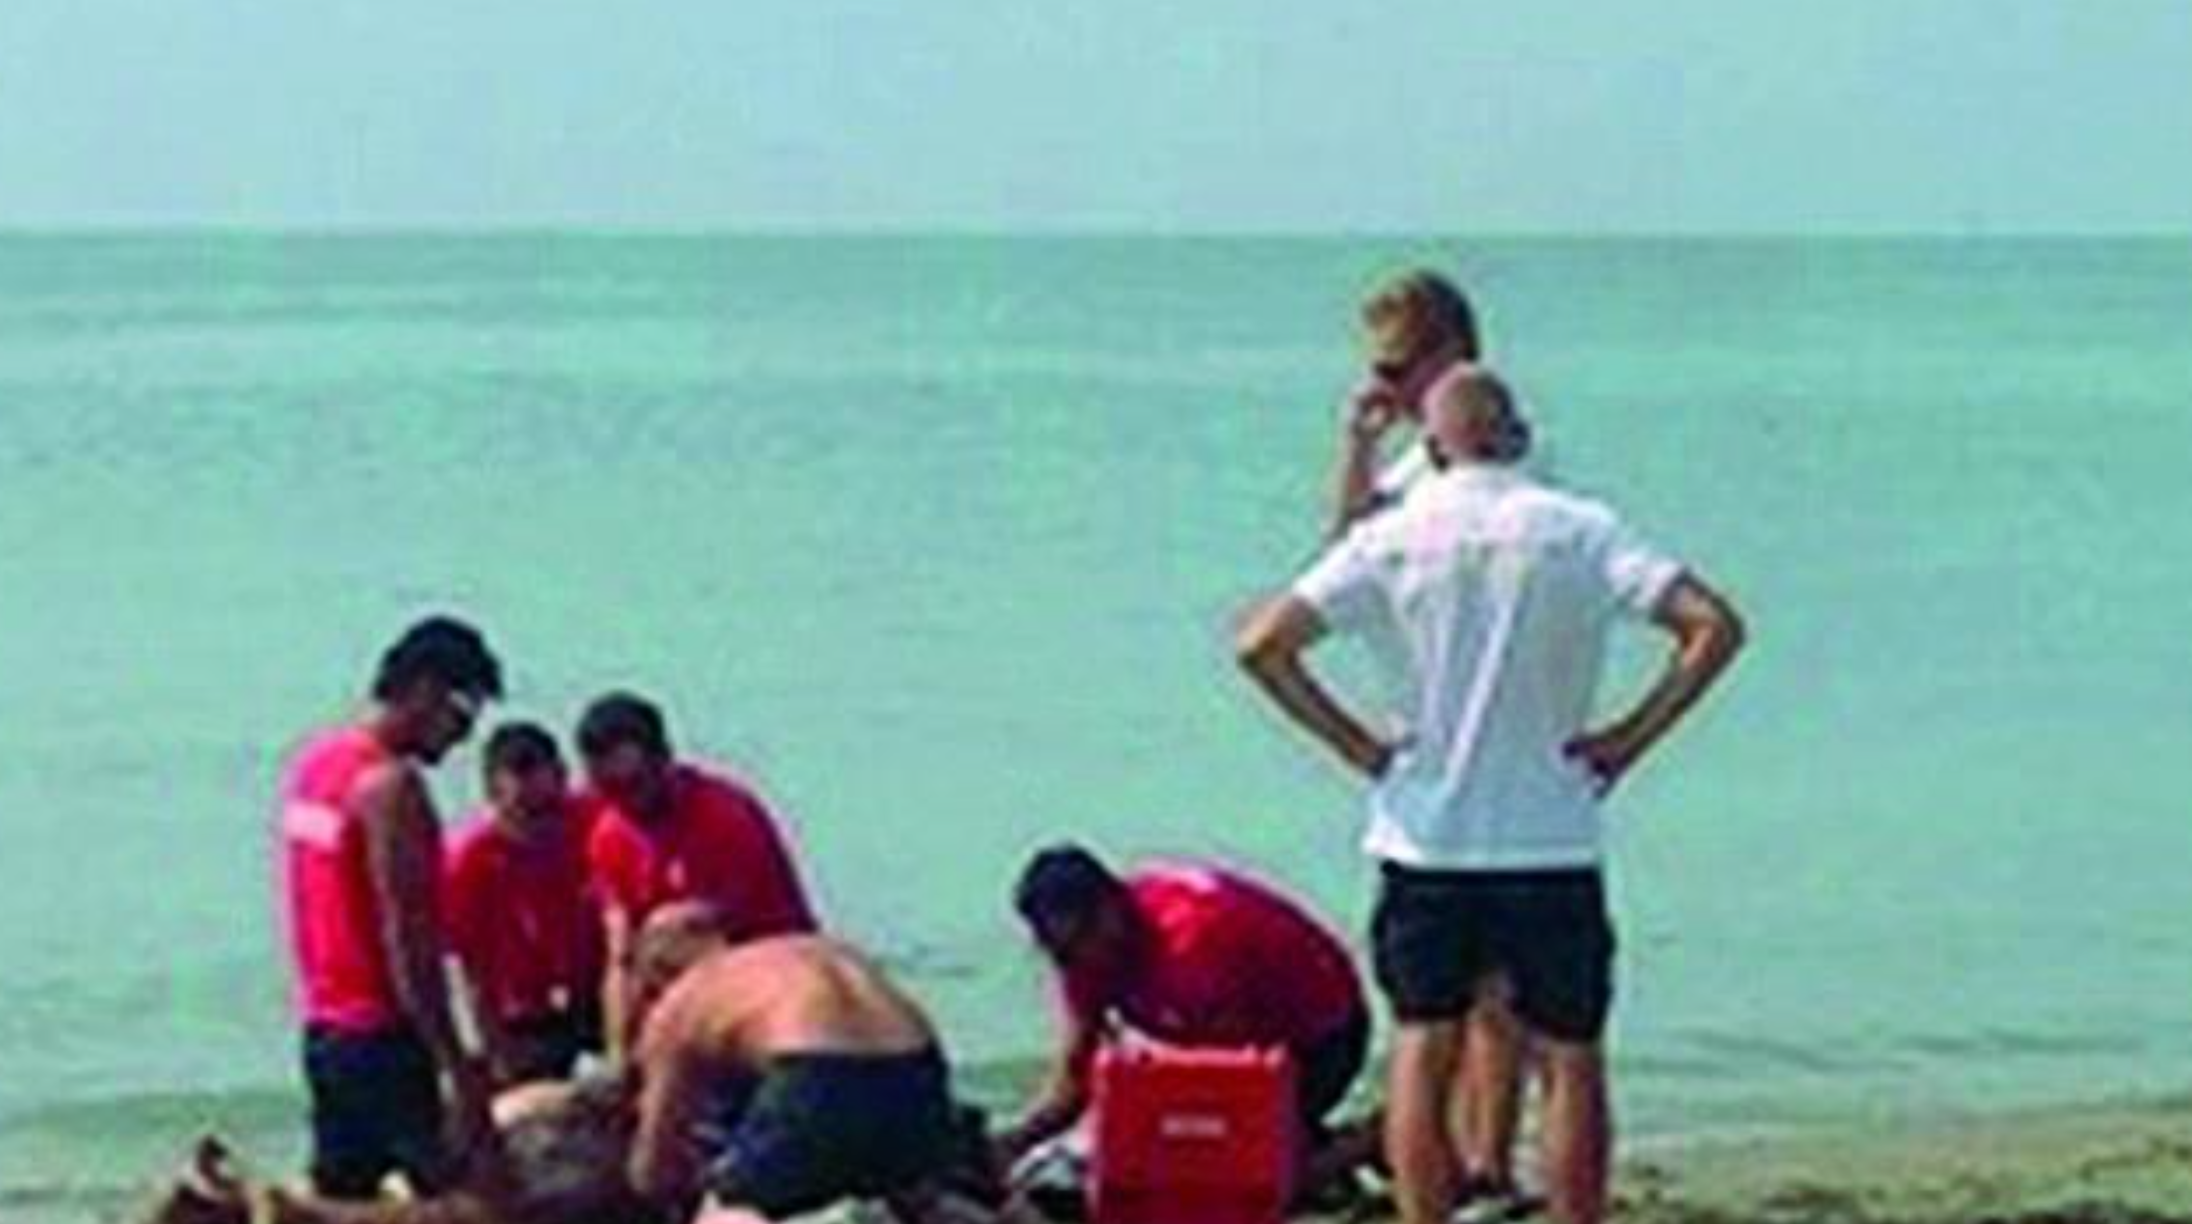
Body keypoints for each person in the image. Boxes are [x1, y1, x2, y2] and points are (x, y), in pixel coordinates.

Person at [1236, 364, 1747, 1224]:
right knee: (1571, 1055)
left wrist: (1356, 744)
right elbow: (1712, 625)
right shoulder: (1579, 529)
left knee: (1423, 1045)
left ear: (1433, 449)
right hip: (1549, 833)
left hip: (1426, 835)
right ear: (1516, 437)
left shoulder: (1392, 538)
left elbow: (1261, 646)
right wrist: (1631, 735)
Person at [1327, 267, 1535, 1207]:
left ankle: (1485, 1162)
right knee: (1444, 997)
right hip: (1426, 760)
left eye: (1400, 368)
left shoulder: (1505, 464)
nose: (1389, 387)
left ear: (1453, 356)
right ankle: (1454, 1164)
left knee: (1494, 996)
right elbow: (1343, 561)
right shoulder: (1415, 468)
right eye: (1380, 368)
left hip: (1493, 758)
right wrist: (1357, 446)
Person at [275, 616, 505, 1198]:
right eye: (464, 709)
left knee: (341, 1197)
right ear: (424, 690)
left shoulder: (317, 766)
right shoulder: (391, 788)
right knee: (472, 1197)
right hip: (384, 1037)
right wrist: (455, 1063)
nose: (465, 735)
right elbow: (410, 942)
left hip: (326, 1031)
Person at [995, 846, 1375, 1193]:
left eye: (1084, 938)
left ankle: (1371, 1140)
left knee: (1235, 1180)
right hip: (1230, 1042)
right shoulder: (1079, 959)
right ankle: (1310, 1140)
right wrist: (1017, 1142)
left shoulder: (1190, 942)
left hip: (1323, 1036)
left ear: (1111, 907)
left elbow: (1235, 1083)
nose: (1081, 957)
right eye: (1060, 950)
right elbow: (1077, 1072)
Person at [622, 906, 990, 1224]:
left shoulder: (683, 999)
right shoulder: (815, 950)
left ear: (656, 974)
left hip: (816, 1074)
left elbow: (652, 1169)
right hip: (917, 1071)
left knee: (729, 1207)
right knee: (912, 1190)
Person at [575, 692, 817, 1055]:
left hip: (767, 969)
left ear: (664, 760)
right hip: (675, 994)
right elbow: (619, 956)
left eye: (633, 785)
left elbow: (708, 934)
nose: (624, 802)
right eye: (608, 790)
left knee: (667, 930)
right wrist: (619, 1055)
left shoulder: (723, 815)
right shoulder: (609, 836)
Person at [445, 722, 605, 1086]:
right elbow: (474, 972)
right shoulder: (468, 863)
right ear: (493, 796)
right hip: (525, 1014)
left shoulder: (597, 822)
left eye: (551, 809)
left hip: (600, 991)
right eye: (526, 812)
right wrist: (498, 1055)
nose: (541, 825)